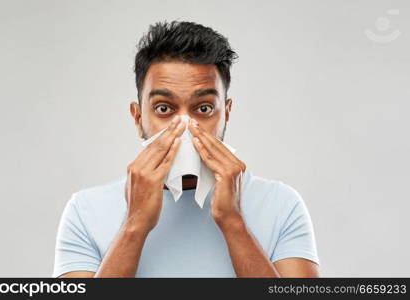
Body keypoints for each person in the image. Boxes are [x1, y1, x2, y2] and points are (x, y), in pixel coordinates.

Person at [52, 20, 320, 278]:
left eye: (203, 109)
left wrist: (233, 223)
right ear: (138, 118)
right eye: (164, 109)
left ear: (226, 113)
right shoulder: (86, 211)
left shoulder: (281, 204)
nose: (185, 126)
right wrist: (134, 225)